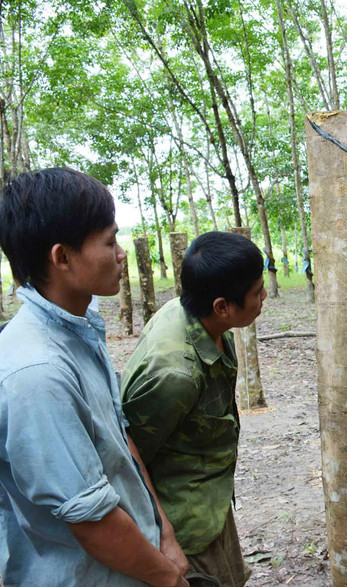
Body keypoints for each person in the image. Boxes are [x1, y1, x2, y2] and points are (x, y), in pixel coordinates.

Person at [0, 168, 188, 586]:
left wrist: (163, 532)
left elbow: (118, 439)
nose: (121, 254)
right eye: (109, 242)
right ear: (62, 258)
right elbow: (92, 521)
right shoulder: (39, 373)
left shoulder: (79, 330)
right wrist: (170, 580)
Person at [122, 231, 266, 586]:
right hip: (183, 525)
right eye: (257, 291)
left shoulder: (203, 320)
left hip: (208, 503)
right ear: (222, 306)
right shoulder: (176, 373)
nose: (264, 297)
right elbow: (127, 454)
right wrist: (165, 535)